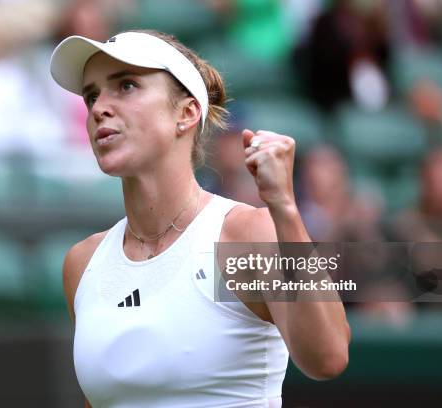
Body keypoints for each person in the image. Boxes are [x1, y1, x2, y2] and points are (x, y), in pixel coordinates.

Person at [51, 30, 350, 407]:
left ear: (187, 113)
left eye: (126, 86)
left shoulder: (242, 235)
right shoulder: (83, 263)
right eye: (92, 95)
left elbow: (328, 358)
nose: (98, 108)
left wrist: (285, 208)